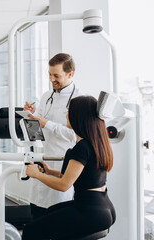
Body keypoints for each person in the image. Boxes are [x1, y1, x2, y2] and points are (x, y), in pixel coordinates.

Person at [21, 96, 116, 240]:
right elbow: (83, 176)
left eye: (69, 111)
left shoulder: (82, 147)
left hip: (90, 211)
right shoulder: (96, 142)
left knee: (30, 231)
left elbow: (64, 185)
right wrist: (50, 172)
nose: (66, 115)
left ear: (77, 116)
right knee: (50, 213)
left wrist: (36, 174)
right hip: (103, 206)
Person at [23, 53, 82, 219]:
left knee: (57, 217)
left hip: (63, 164)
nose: (52, 79)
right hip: (44, 160)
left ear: (70, 74)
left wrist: (46, 123)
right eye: (49, 74)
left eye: (56, 75)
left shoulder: (79, 99)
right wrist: (30, 117)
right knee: (36, 212)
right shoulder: (46, 96)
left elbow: (75, 136)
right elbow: (36, 133)